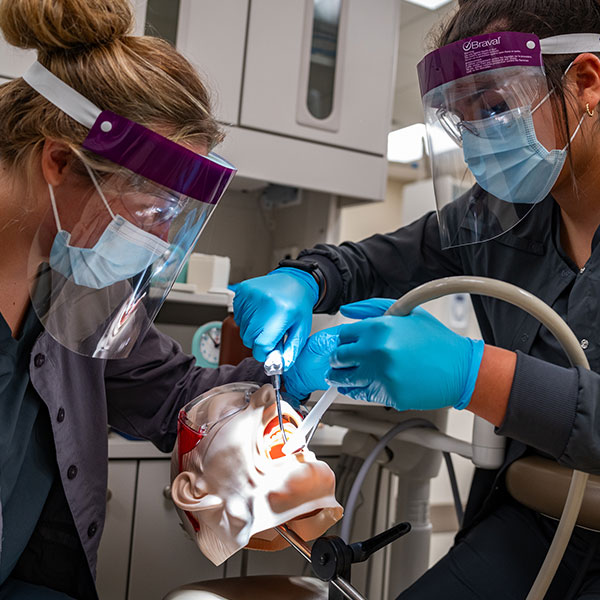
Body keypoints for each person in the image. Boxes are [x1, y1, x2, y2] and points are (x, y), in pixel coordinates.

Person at [233, 1, 600, 597]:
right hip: (531, 523)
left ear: (585, 81)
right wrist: (305, 280)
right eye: (462, 120)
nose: (480, 139)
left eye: (496, 107)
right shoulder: (499, 219)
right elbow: (378, 260)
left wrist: (475, 374)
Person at [0, 0, 271, 597]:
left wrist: (296, 371)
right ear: (60, 160)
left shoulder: (75, 287)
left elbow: (171, 396)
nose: (161, 241)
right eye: (155, 209)